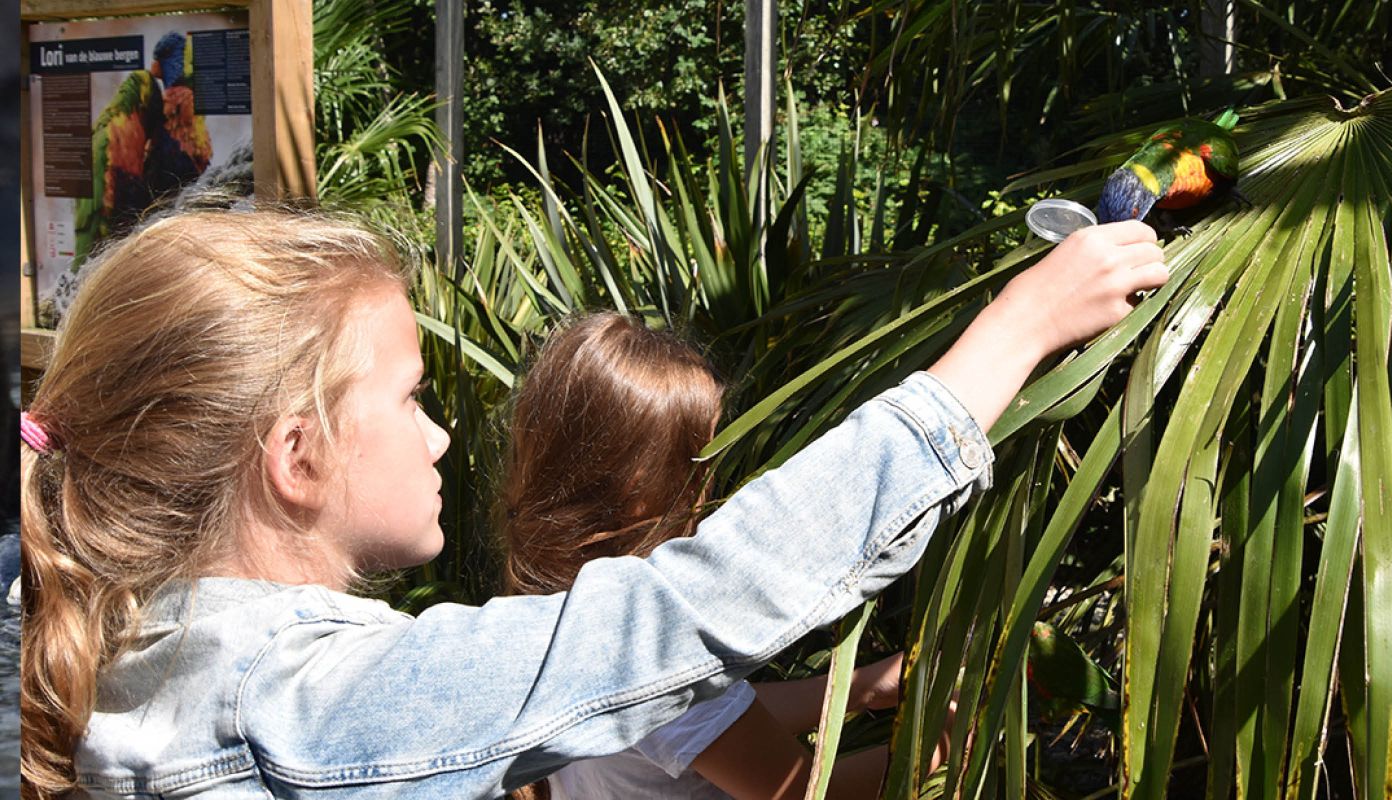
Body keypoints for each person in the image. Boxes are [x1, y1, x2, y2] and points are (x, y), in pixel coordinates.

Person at [19, 207, 1166, 798]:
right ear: (297, 455)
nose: (442, 432)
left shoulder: (144, 645)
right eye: (413, 398)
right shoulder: (302, 699)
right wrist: (1016, 328)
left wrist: (865, 684)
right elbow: (681, 612)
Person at [499, 312, 912, 799]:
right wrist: (945, 736)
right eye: (705, 457)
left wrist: (864, 688)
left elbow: (714, 721)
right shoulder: (652, 640)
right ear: (643, 488)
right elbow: (814, 793)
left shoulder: (560, 603)